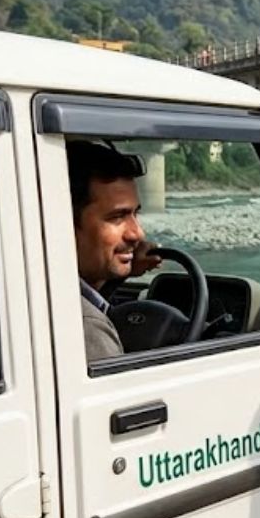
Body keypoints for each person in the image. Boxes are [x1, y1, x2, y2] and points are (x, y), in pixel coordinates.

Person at [68, 140, 162, 361]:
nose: (137, 234)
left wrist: (122, 273)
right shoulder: (86, 329)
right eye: (117, 217)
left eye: (135, 214)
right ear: (64, 223)